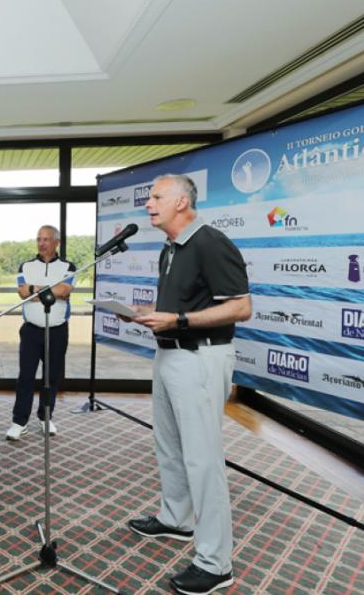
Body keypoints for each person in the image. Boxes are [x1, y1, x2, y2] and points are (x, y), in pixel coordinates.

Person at [120, 174, 251, 595]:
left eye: (156, 197)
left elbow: (241, 307)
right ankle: (175, 518)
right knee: (169, 444)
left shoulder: (211, 242)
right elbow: (179, 305)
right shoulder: (170, 249)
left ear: (181, 202)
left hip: (202, 358)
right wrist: (146, 312)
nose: (148, 204)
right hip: (170, 354)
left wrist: (178, 320)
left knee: (203, 459)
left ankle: (215, 563)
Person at [6, 225, 76, 441]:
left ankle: (45, 416)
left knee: (51, 377)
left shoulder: (69, 266)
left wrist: (34, 289)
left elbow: (64, 291)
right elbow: (22, 293)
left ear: (57, 242)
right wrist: (47, 290)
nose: (42, 243)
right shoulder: (25, 265)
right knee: (25, 377)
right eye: (39, 239)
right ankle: (19, 421)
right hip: (31, 331)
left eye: (46, 239)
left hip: (57, 331)